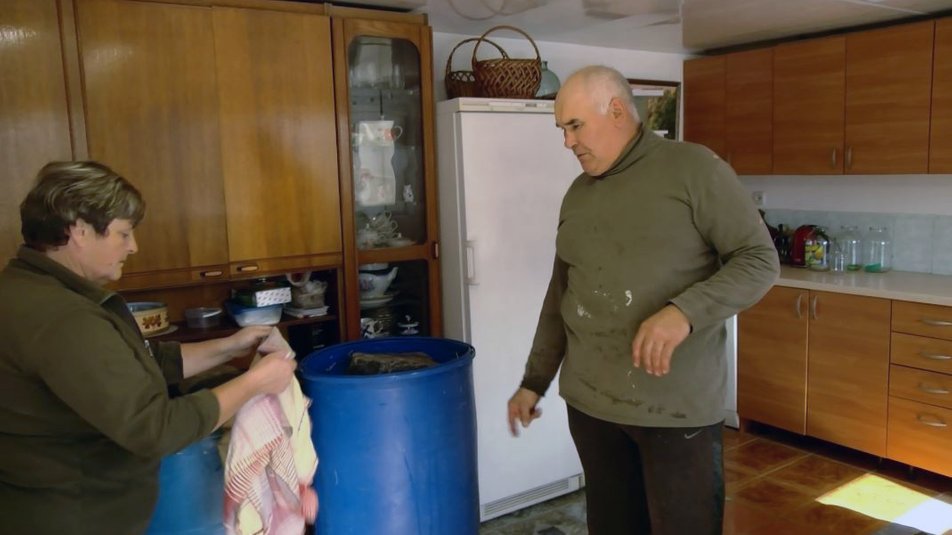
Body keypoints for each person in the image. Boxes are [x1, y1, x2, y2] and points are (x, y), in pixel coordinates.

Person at [506, 66, 779, 534]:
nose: (568, 142)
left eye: (575, 126)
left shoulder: (694, 169)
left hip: (674, 411)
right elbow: (561, 295)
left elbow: (759, 261)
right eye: (562, 129)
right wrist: (534, 380)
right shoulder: (578, 194)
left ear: (616, 110)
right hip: (591, 406)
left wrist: (683, 312)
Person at [0, 161, 298, 533]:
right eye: (123, 234)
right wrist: (255, 383)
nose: (133, 246)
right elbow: (156, 428)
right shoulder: (64, 318)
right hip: (74, 517)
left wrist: (228, 346)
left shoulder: (23, 289)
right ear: (79, 231)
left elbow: (136, 364)